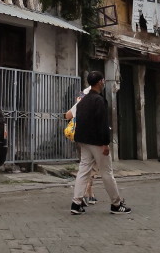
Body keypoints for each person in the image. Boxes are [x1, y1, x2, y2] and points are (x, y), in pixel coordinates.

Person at [69, 71, 130, 215]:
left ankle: (76, 203)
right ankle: (116, 204)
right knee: (107, 172)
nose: (104, 82)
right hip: (96, 142)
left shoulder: (83, 101)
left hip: (83, 141)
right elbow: (102, 123)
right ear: (99, 82)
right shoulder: (99, 100)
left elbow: (78, 120)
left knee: (83, 171)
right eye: (103, 80)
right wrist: (105, 143)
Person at [64, 86, 97, 205]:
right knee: (91, 166)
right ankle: (86, 192)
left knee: (84, 166)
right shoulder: (95, 104)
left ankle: (86, 194)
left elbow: (66, 116)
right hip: (93, 140)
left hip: (79, 138)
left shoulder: (78, 105)